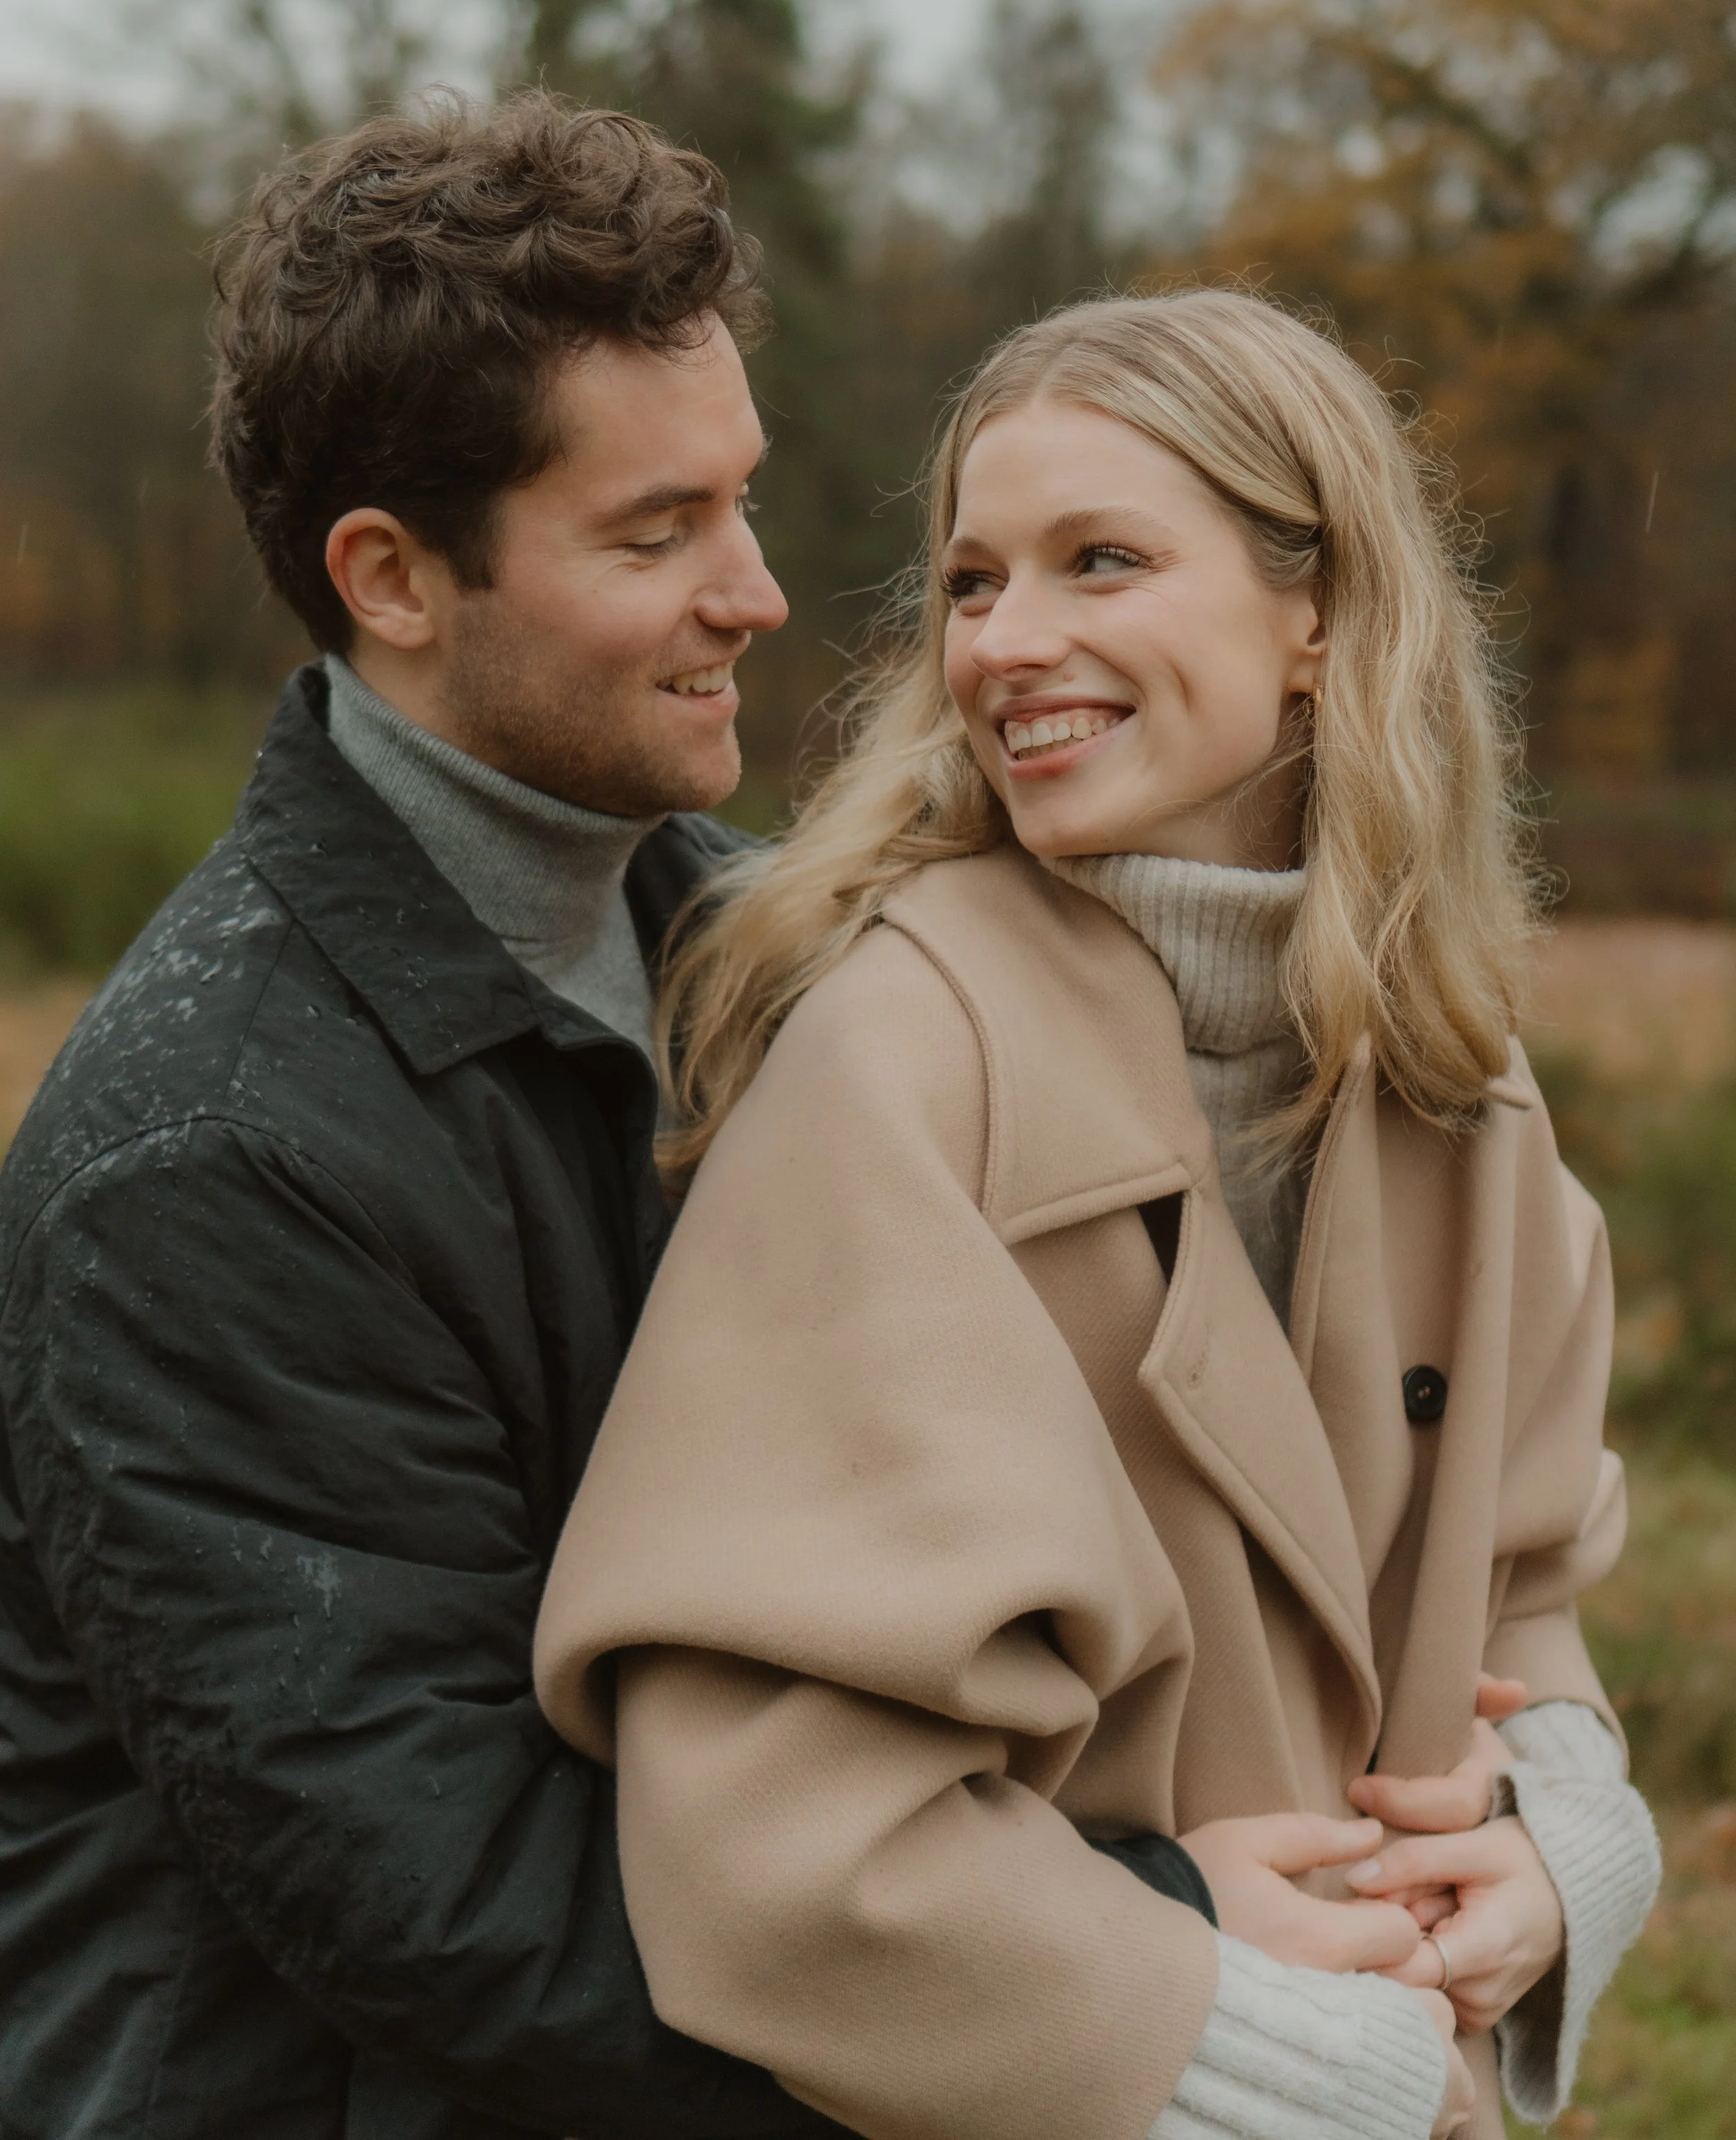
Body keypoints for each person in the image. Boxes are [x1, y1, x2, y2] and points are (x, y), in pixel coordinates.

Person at [534, 291, 1661, 2140]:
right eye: (973, 580)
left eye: (1098, 561)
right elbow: (778, 1833)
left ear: (1316, 615)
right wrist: (1268, 2028)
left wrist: (1554, 1853)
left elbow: (1520, 1591)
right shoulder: (896, 1053)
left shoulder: (1453, 1073)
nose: (1007, 641)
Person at [0, 92, 842, 2140]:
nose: (758, 592)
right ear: (388, 575)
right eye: (655, 534)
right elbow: (456, 1907)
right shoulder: (208, 1156)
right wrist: (1145, 1983)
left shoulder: (765, 953)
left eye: (740, 499)